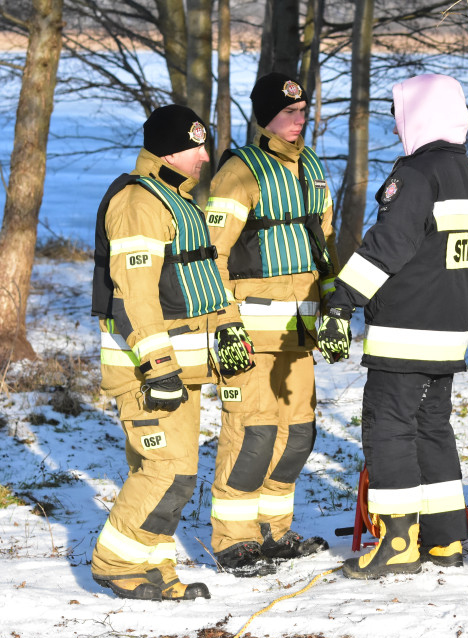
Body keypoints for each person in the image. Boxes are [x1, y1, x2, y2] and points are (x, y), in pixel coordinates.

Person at [318, 74, 468, 580]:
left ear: (420, 113)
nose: (396, 124)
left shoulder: (415, 176)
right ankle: (443, 538)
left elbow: (385, 249)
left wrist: (339, 304)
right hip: (449, 329)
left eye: (400, 112)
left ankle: (395, 542)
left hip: (405, 329)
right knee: (432, 426)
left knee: (388, 427)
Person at [89, 104, 255, 600]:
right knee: (166, 470)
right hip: (147, 374)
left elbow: (207, 278)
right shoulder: (139, 202)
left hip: (180, 372)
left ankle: (155, 568)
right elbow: (135, 295)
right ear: (168, 150)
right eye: (196, 146)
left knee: (176, 474)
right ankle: (115, 564)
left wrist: (229, 329)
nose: (206, 156)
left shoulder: (178, 200)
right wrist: (157, 367)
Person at [204, 73, 337, 576]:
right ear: (264, 117)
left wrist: (333, 309)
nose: (298, 121)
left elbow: (323, 247)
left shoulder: (312, 167)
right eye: (288, 114)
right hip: (247, 335)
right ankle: (233, 541)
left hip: (297, 337)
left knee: (298, 435)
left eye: (303, 111)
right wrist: (225, 324)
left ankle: (274, 532)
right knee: (252, 435)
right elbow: (209, 256)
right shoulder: (239, 172)